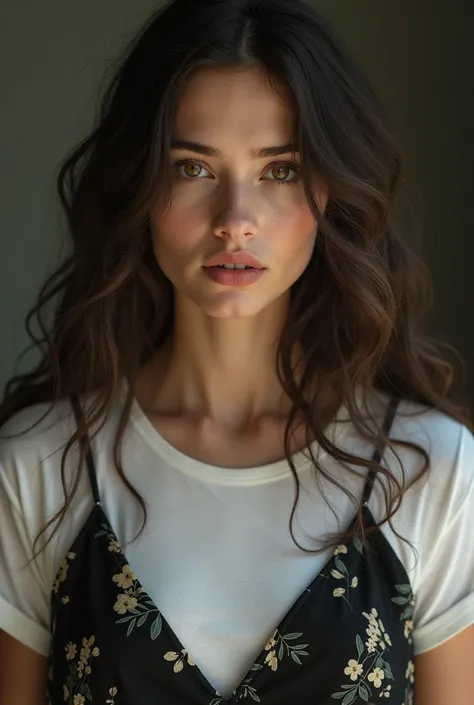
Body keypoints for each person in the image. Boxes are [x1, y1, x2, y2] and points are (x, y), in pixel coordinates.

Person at [1, 0, 473, 703]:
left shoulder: (429, 472)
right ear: (140, 185)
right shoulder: (41, 465)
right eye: (193, 168)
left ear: (328, 191)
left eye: (279, 170)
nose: (235, 221)